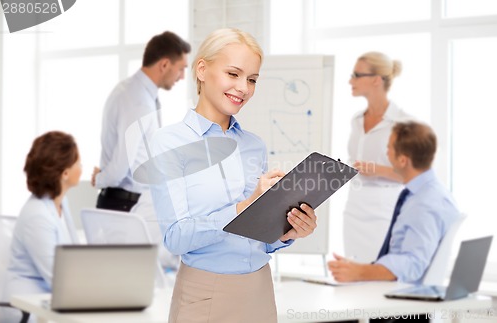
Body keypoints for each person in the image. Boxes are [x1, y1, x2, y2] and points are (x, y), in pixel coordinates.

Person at [149, 28, 317, 323]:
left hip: (260, 293)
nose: (243, 88)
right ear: (202, 69)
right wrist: (243, 207)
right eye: (233, 74)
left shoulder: (254, 146)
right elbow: (175, 238)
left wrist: (288, 231)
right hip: (204, 296)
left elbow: (259, 240)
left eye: (252, 80)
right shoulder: (169, 144)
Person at [328, 121, 460, 284]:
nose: (387, 152)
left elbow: (413, 263)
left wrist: (361, 272)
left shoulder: (424, 204)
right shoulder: (429, 193)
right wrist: (357, 269)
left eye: (389, 147)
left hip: (406, 300)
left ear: (403, 160)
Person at [91, 30, 191, 212]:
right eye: (181, 68)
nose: (182, 76)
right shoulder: (137, 101)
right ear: (165, 64)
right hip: (124, 206)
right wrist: (99, 180)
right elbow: (121, 166)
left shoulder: (135, 93)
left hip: (128, 203)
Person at [2, 131, 81, 323]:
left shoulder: (60, 203)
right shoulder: (37, 215)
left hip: (47, 302)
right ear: (65, 173)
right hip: (27, 309)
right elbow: (58, 278)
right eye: (78, 162)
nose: (81, 167)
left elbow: (72, 259)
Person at [343, 51, 413, 263]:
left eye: (356, 75)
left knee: (381, 273)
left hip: (385, 210)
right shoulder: (356, 120)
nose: (350, 80)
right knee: (354, 274)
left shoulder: (402, 123)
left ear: (376, 80)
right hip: (354, 209)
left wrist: (376, 169)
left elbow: (412, 174)